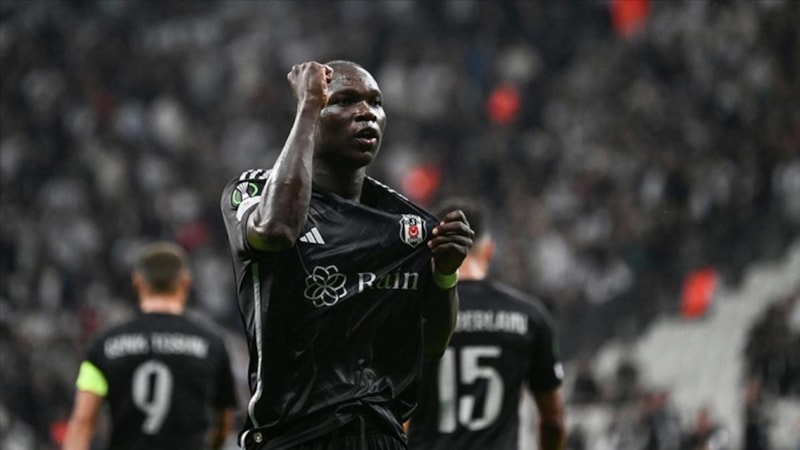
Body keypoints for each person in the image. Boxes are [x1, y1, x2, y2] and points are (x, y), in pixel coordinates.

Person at [220, 60, 473, 450]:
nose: (366, 112)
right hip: (292, 437)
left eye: (375, 102)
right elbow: (275, 231)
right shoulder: (253, 192)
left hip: (381, 437)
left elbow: (432, 343)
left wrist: (445, 275)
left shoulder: (407, 224)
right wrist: (308, 105)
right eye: (345, 101)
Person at [407, 197, 566, 450]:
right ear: (489, 250)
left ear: (433, 251)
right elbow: (553, 422)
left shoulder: (411, 317)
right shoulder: (528, 317)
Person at [63, 242, 238, 450]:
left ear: (138, 282)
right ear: (185, 282)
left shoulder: (104, 346)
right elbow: (224, 423)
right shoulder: (212, 346)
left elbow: (82, 422)